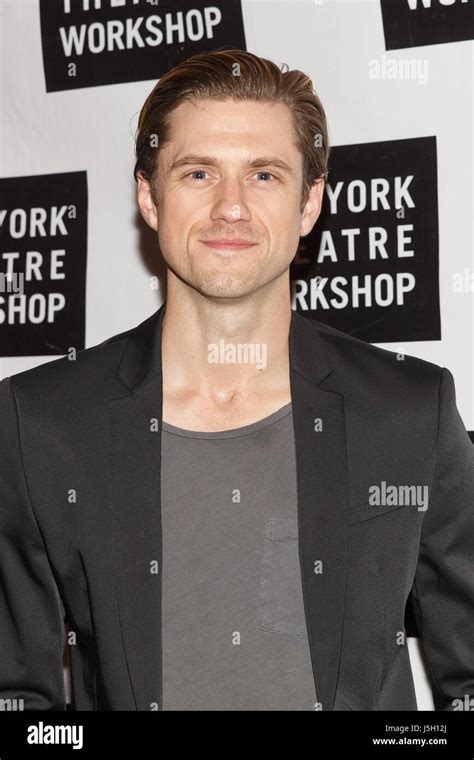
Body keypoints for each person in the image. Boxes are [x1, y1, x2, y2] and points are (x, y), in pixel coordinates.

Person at [0, 48, 473, 711]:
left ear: (310, 203)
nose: (230, 208)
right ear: (149, 195)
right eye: (198, 173)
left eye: (264, 175)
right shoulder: (40, 421)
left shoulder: (409, 413)